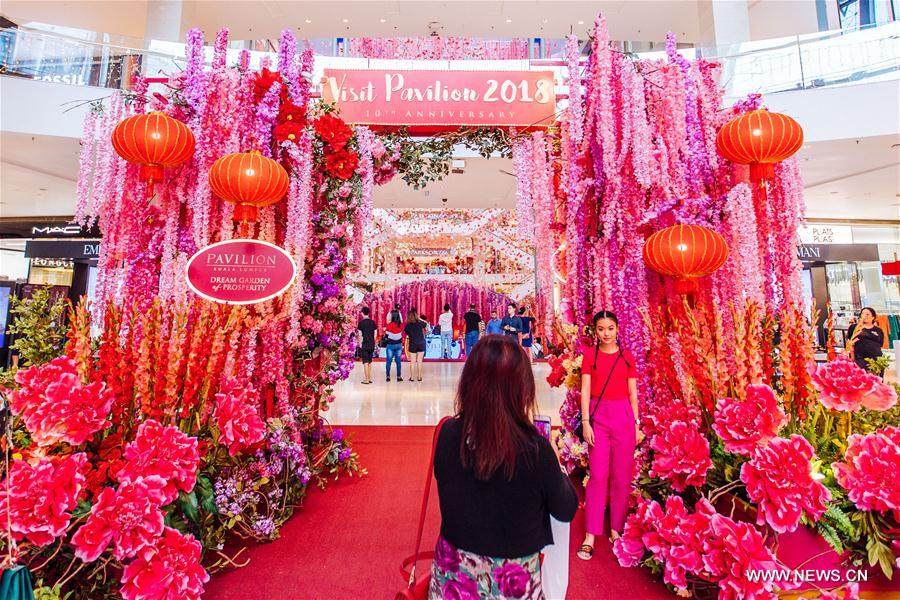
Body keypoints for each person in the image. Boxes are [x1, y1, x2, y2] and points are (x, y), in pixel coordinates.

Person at [430, 335, 578, 598]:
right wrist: (555, 464)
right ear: (521, 388)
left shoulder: (448, 433)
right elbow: (565, 509)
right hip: (510, 580)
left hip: (454, 575)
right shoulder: (535, 450)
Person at [577, 310, 640, 561]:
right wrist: (585, 423)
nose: (606, 333)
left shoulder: (627, 357)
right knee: (598, 476)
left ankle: (616, 529)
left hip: (623, 418)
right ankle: (591, 533)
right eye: (601, 329)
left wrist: (636, 423)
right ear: (595, 331)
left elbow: (633, 394)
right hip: (598, 419)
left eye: (610, 328)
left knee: (621, 476)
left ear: (617, 329)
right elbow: (584, 391)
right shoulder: (590, 356)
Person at [847, 306, 885, 373]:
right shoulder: (853, 328)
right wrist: (852, 357)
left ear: (873, 317)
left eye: (867, 314)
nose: (864, 316)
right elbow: (850, 342)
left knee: (877, 380)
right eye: (862, 313)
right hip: (860, 360)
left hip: (877, 360)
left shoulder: (878, 330)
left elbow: (881, 344)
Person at [404, 308, 428, 382]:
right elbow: (425, 323)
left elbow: (407, 333)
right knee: (420, 361)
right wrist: (419, 318)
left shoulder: (408, 325)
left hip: (413, 344)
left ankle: (412, 377)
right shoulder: (420, 323)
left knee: (413, 361)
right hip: (421, 343)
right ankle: (419, 377)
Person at [356, 307, 377, 385]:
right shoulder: (373, 322)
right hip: (371, 344)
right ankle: (369, 378)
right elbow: (375, 334)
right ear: (368, 313)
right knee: (370, 362)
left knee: (365, 362)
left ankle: (366, 379)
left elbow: (360, 335)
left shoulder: (361, 323)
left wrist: (360, 344)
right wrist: (373, 341)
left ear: (362, 313)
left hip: (364, 344)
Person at [385, 310, 404, 382]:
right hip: (399, 345)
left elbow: (386, 335)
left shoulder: (389, 325)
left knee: (389, 361)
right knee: (398, 361)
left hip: (390, 345)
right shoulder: (401, 325)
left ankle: (388, 376)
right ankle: (399, 376)